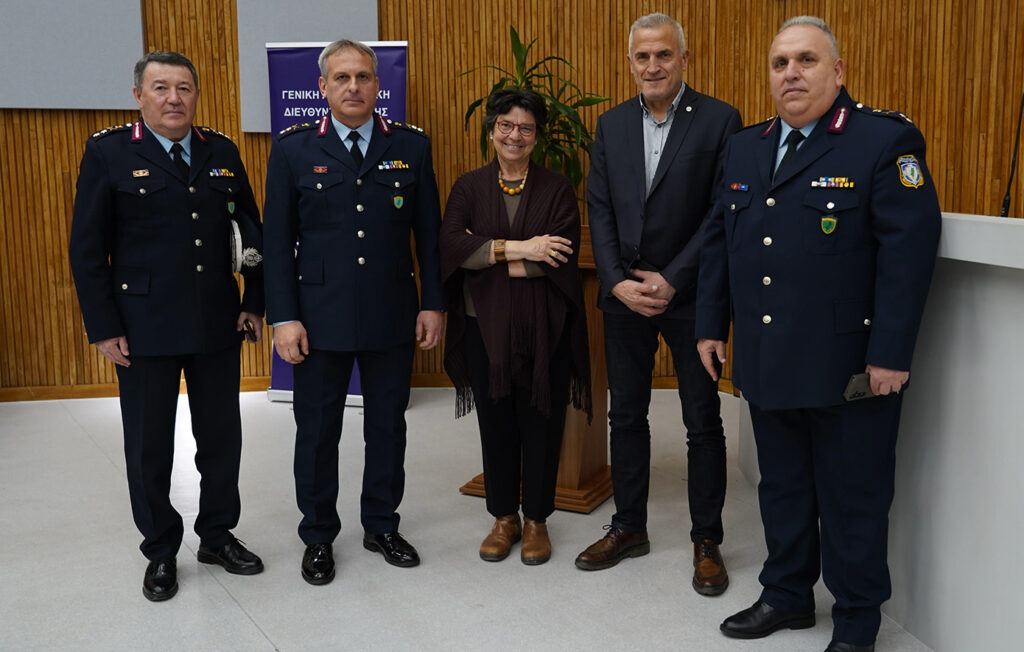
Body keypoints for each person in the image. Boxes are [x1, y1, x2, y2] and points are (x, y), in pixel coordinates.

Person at [696, 16, 941, 652]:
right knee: (781, 487)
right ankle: (787, 595)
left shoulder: (882, 140)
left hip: (849, 364)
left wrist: (890, 353)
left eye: (806, 60)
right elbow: (721, 242)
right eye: (780, 63)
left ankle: (857, 620)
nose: (792, 73)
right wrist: (710, 325)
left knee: (853, 495)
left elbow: (908, 256)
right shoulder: (746, 146)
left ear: (838, 71)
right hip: (767, 356)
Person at [68, 51, 265, 602]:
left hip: (216, 320)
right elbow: (87, 248)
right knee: (149, 446)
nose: (173, 98)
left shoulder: (221, 150)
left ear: (196, 94)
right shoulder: (108, 152)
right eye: (160, 87)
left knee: (221, 438)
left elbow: (251, 232)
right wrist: (103, 326)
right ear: (139, 96)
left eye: (184, 87)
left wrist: (255, 301)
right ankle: (160, 549)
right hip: (144, 326)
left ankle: (217, 535)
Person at [263, 39, 444, 585]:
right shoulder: (294, 149)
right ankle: (318, 534)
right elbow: (277, 243)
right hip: (318, 318)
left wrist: (432, 303)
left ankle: (381, 525)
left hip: (391, 312)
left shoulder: (410, 146)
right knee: (318, 431)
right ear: (323, 87)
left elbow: (429, 237)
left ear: (377, 85)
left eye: (363, 76)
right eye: (341, 77)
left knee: (388, 427)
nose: (353, 86)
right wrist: (283, 317)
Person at [579, 12, 741, 597]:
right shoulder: (611, 124)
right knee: (626, 415)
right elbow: (599, 206)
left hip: (690, 295)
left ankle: (707, 539)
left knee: (702, 420)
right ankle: (629, 527)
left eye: (664, 55)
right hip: (625, 297)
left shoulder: (720, 120)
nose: (653, 66)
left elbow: (722, 211)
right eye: (643, 56)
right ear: (630, 63)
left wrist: (672, 278)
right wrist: (616, 281)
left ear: (684, 59)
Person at [440, 89, 592, 566]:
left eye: (526, 127)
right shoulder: (468, 187)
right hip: (483, 328)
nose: (515, 135)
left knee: (542, 423)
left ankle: (537, 520)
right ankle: (504, 517)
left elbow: (561, 257)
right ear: (491, 131)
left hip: (545, 329)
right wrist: (525, 249)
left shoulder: (556, 188)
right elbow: (453, 247)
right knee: (496, 423)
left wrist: (487, 255)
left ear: (537, 136)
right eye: (506, 125)